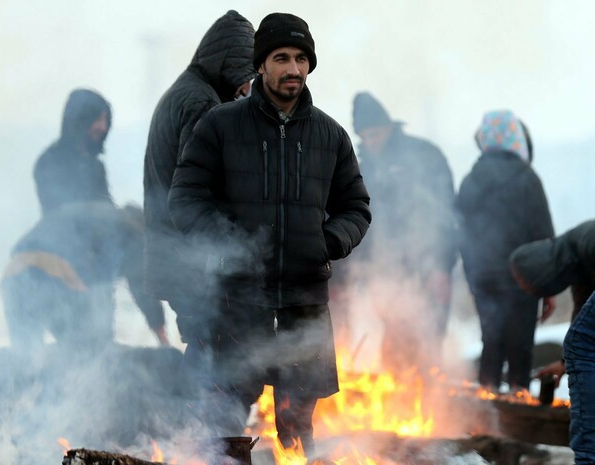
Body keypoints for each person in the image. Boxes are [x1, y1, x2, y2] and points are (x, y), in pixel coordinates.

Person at [167, 12, 371, 456]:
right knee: (222, 424)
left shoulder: (331, 136)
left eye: (301, 58)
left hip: (305, 307)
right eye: (281, 57)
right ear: (261, 64)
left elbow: (356, 207)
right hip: (236, 303)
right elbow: (184, 198)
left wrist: (328, 242)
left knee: (298, 431)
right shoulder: (219, 126)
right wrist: (224, 247)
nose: (293, 69)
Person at [143, 10, 256, 345]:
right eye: (247, 74)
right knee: (214, 362)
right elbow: (202, 189)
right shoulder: (202, 102)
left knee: (205, 354)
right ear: (229, 63)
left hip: (175, 256)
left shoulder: (184, 92)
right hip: (193, 261)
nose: (248, 87)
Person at [351, 92, 457, 372]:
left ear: (388, 126)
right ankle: (398, 410)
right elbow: (363, 223)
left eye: (375, 134)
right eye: (365, 137)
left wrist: (441, 268)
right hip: (388, 273)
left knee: (427, 343)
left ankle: (432, 408)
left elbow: (447, 218)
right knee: (395, 349)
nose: (371, 142)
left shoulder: (426, 156)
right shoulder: (363, 170)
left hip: (427, 268)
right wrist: (364, 274)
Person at [457, 110, 555, 392]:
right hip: (523, 278)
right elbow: (543, 235)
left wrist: (472, 277)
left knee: (492, 341)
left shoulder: (470, 181)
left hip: (484, 279)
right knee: (520, 345)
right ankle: (518, 404)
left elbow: (461, 235)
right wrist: (549, 288)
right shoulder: (527, 178)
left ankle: (486, 414)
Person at [0, 202, 168, 357]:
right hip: (51, 273)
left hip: (12, 277)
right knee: (88, 354)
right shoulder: (134, 229)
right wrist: (164, 342)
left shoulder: (103, 215)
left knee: (27, 362)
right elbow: (144, 289)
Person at [509, 220, 595, 464]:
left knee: (580, 343)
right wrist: (564, 364)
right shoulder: (577, 260)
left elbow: (584, 338)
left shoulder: (585, 241)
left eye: (526, 282)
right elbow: (583, 312)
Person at [34, 89, 113, 215]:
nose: (103, 127)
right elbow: (58, 212)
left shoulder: (95, 165)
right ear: (81, 120)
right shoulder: (50, 162)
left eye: (105, 120)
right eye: (98, 119)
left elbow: (108, 209)